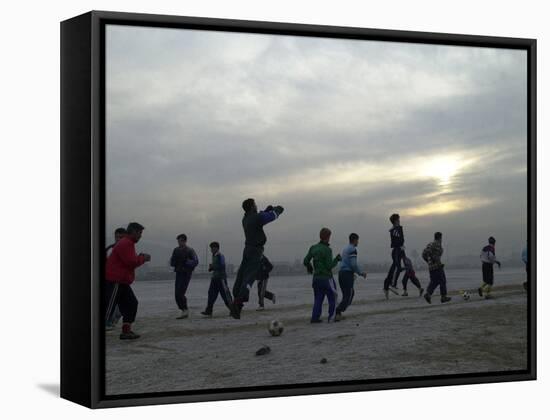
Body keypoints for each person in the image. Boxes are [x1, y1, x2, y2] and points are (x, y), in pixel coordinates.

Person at [230, 199, 284, 319]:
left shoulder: (245, 219)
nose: (256, 206)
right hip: (256, 251)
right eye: (255, 204)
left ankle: (236, 298)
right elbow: (270, 217)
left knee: (242, 274)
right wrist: (277, 210)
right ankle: (239, 302)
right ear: (251, 207)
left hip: (247, 250)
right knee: (250, 277)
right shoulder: (256, 218)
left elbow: (258, 218)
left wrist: (265, 211)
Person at [105, 222, 151, 340]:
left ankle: (126, 331)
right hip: (115, 280)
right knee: (108, 307)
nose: (140, 236)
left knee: (131, 303)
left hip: (122, 281)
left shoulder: (128, 243)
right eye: (139, 233)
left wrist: (139, 257)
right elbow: (131, 262)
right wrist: (143, 258)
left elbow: (130, 260)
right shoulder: (126, 243)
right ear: (133, 232)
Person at [303, 228, 341, 323]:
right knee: (333, 297)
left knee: (318, 299)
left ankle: (315, 318)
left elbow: (305, 261)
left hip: (316, 279)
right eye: (329, 237)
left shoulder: (313, 247)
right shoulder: (327, 250)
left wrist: (309, 266)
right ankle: (331, 318)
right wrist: (337, 259)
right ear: (327, 237)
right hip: (326, 278)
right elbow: (329, 266)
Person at [335, 233, 367, 321]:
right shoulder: (353, 249)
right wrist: (361, 273)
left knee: (347, 294)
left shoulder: (345, 249)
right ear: (355, 240)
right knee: (349, 294)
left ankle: (339, 312)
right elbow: (353, 264)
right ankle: (338, 311)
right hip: (347, 274)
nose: (358, 242)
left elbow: (345, 262)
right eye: (358, 240)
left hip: (341, 273)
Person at [170, 234, 199, 319]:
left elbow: (196, 261)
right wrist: (174, 262)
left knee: (181, 292)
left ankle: (185, 310)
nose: (179, 242)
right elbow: (172, 262)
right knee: (176, 294)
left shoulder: (190, 250)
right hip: (178, 273)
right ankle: (183, 309)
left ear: (184, 241)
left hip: (186, 273)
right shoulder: (176, 250)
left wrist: (187, 261)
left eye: (180, 241)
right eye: (178, 241)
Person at [201, 242, 232, 317]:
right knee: (211, 294)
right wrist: (211, 268)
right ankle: (209, 311)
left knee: (225, 295)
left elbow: (221, 265)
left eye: (212, 248)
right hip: (214, 278)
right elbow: (216, 266)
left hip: (221, 279)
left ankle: (233, 309)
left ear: (217, 248)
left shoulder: (220, 256)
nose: (211, 250)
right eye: (211, 248)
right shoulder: (214, 256)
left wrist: (213, 267)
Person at [105, 227, 126, 331]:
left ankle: (112, 321)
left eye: (121, 237)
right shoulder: (111, 249)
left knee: (125, 303)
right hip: (112, 280)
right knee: (111, 301)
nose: (119, 239)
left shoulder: (128, 249)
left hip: (123, 281)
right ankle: (107, 321)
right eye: (117, 237)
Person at [422, 231, 451, 304]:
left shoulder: (429, 244)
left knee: (434, 281)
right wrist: (438, 263)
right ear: (440, 238)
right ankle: (443, 297)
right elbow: (436, 255)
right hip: (437, 266)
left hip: (431, 267)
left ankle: (428, 294)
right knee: (442, 280)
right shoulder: (437, 244)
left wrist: (429, 262)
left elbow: (423, 254)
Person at [383, 213, 405, 299]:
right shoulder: (395, 229)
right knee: (397, 267)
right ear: (396, 221)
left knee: (393, 269)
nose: (399, 221)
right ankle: (392, 285)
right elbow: (400, 240)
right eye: (398, 219)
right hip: (396, 250)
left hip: (399, 250)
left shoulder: (397, 229)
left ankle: (386, 287)